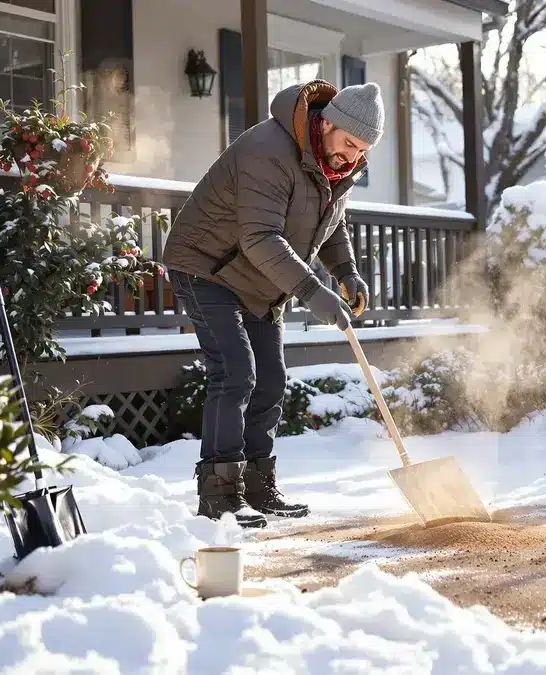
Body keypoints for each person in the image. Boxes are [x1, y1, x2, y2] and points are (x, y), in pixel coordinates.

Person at [161, 80, 381, 528]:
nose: (352, 156)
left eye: (361, 151)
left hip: (257, 277)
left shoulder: (337, 166)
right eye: (348, 143)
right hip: (207, 265)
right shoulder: (269, 149)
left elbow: (330, 221)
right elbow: (259, 236)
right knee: (235, 373)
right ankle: (220, 497)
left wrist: (346, 273)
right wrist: (313, 291)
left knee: (271, 381)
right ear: (327, 123)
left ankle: (258, 487)